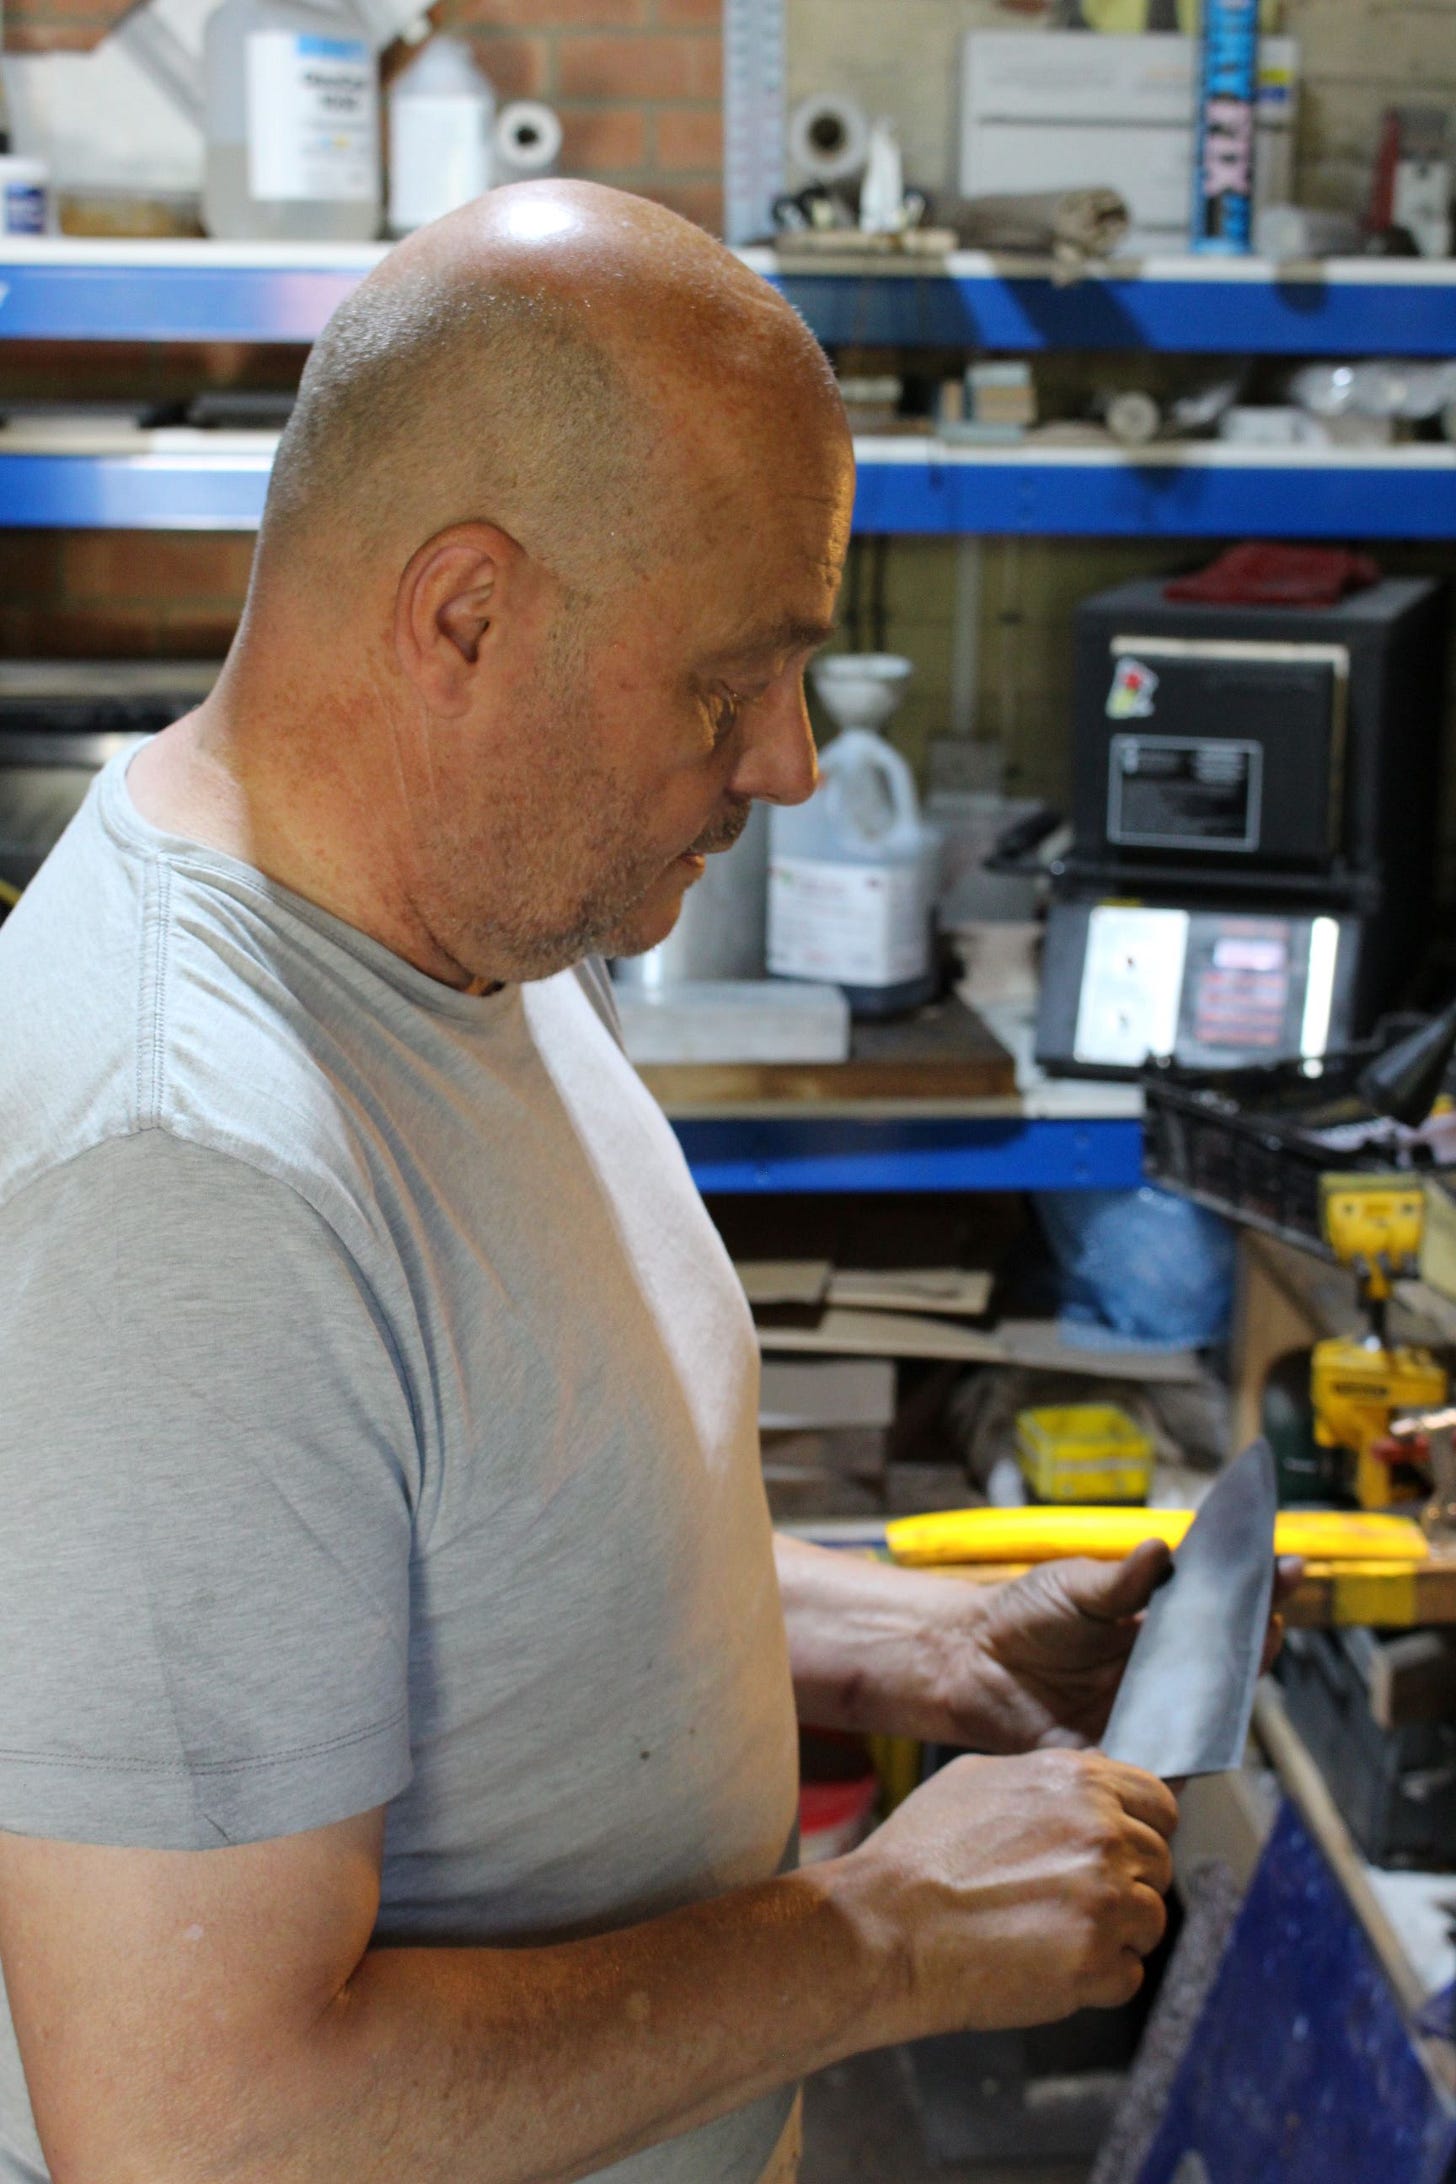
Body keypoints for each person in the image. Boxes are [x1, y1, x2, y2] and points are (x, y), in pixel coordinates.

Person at [0, 182, 1210, 2184]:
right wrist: (886, 1934)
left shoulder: (458, 924)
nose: (789, 764)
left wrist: (887, 1640)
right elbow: (204, 2132)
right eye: (727, 680)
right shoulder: (184, 1173)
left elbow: (465, 1533)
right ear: (465, 616)